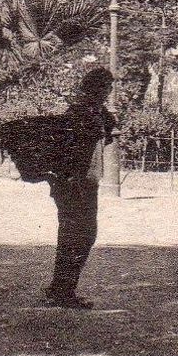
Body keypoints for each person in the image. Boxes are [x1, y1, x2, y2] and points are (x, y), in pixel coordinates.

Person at [42, 67, 117, 309]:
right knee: (79, 235)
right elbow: (71, 148)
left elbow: (106, 133)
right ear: (98, 89)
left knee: (77, 235)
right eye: (107, 88)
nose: (109, 92)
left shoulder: (91, 111)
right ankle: (62, 291)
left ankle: (60, 288)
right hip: (76, 184)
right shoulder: (82, 112)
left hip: (83, 183)